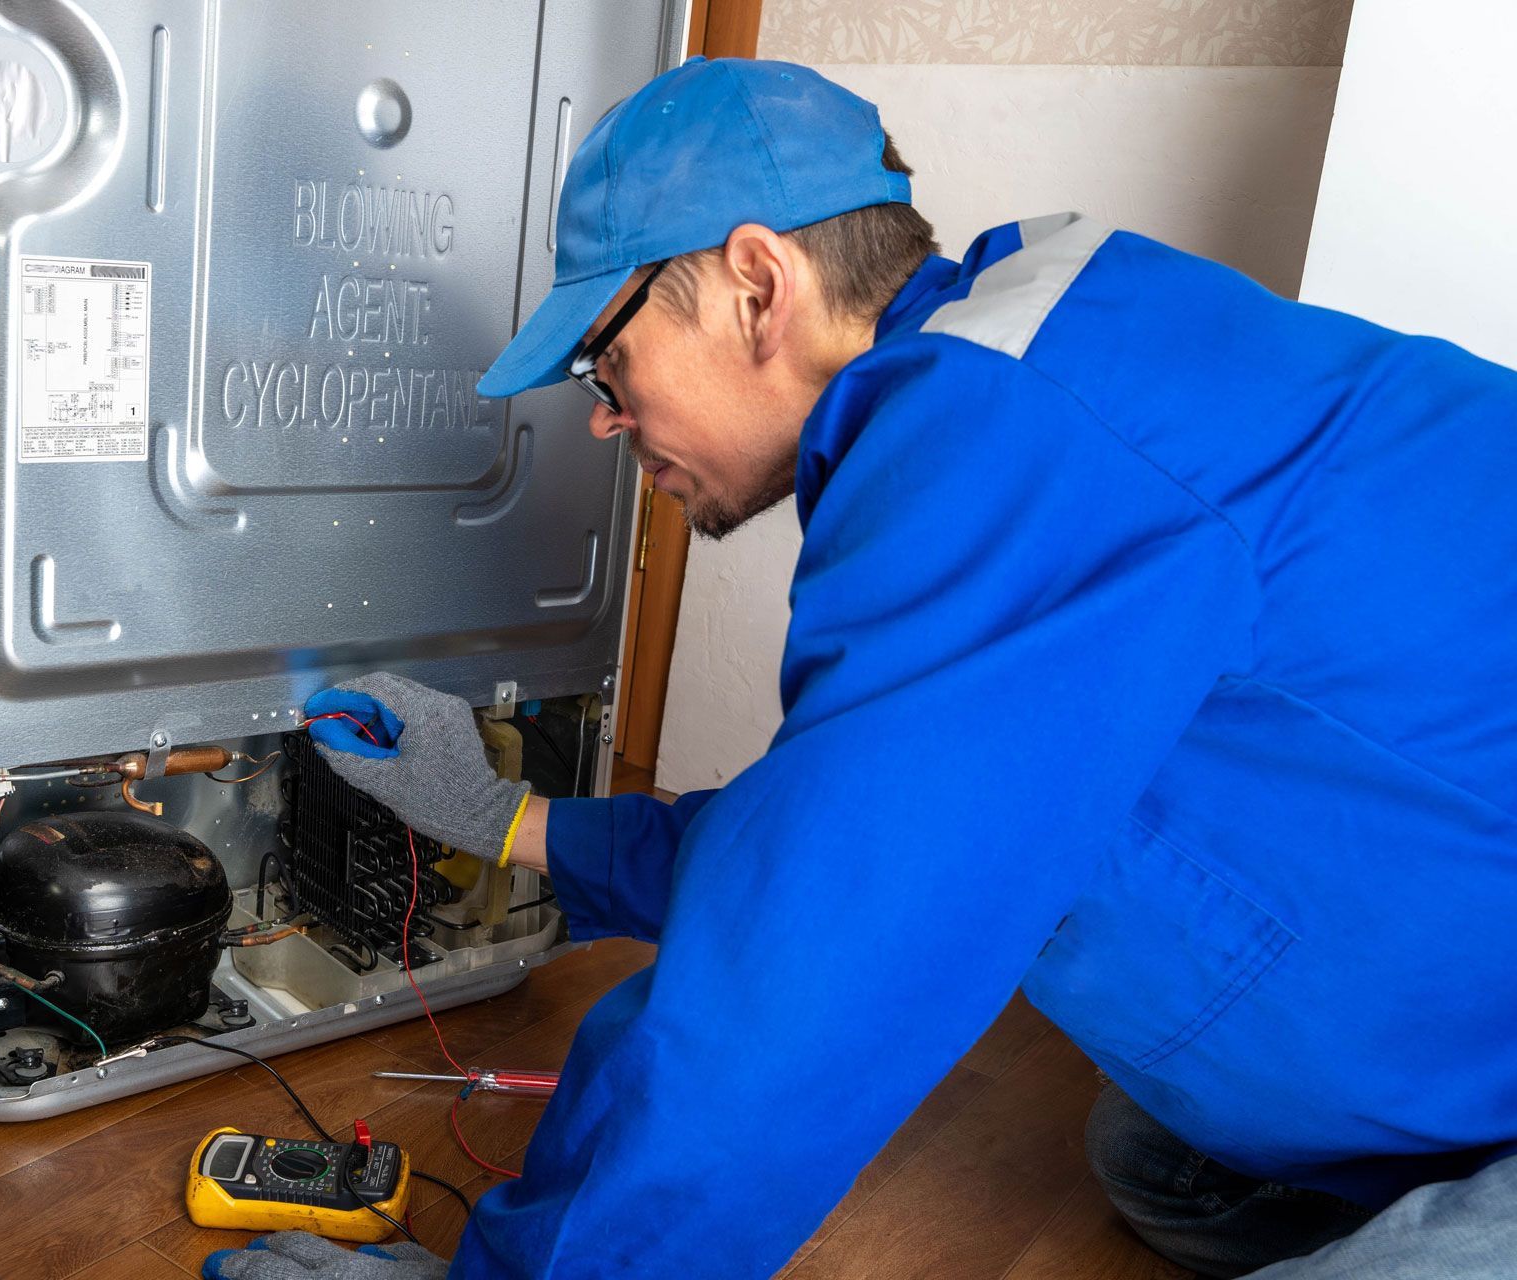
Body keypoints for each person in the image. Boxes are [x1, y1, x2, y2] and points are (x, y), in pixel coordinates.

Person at [205, 57, 1517, 1280]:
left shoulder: (1012, 435)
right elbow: (849, 829)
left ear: (757, 283)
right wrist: (510, 818)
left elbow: (794, 982)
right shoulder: (1029, 367)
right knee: (1163, 1158)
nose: (608, 416)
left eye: (609, 358)